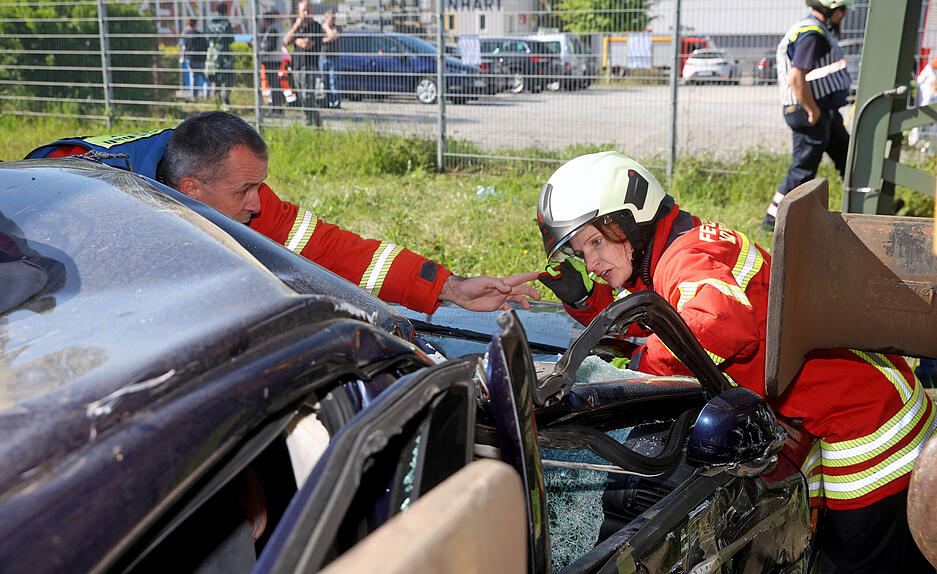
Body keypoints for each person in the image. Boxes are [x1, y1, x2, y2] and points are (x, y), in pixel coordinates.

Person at [535, 151, 935, 573]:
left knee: (858, 561)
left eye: (596, 242)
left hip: (870, 425)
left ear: (632, 221)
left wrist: (641, 367)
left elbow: (720, 322)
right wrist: (586, 299)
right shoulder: (678, 243)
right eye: (581, 252)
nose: (591, 264)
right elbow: (661, 313)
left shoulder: (684, 257)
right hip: (849, 407)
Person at [30, 111, 539, 314]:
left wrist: (450, 287)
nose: (258, 204)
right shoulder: (90, 204)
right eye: (246, 190)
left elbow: (333, 252)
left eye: (259, 186)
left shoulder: (232, 187)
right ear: (191, 190)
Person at [762, 0, 854, 233]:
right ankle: (773, 221)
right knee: (803, 169)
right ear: (830, 9)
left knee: (849, 158)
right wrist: (812, 110)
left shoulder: (814, 30)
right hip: (809, 111)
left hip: (823, 111)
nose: (844, 15)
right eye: (842, 10)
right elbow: (797, 78)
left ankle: (865, 207)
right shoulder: (812, 35)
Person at [284, 1, 323, 125]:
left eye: (308, 10)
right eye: (303, 11)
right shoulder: (297, 26)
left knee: (308, 96)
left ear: (312, 11)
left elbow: (307, 44)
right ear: (299, 13)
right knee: (302, 96)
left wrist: (295, 40)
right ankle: (316, 124)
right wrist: (296, 25)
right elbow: (286, 40)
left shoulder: (316, 26)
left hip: (309, 65)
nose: (306, 13)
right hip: (296, 65)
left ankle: (310, 123)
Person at [206, 2, 235, 107]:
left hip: (212, 53)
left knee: (214, 77)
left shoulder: (210, 22)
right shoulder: (226, 23)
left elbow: (208, 37)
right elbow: (231, 40)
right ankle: (225, 100)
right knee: (229, 76)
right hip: (225, 53)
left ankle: (215, 101)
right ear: (226, 11)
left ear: (217, 10)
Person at [258, 12, 285, 111]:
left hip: (272, 60)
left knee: (274, 84)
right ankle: (276, 106)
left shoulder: (272, 30)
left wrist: (262, 51)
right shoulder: (270, 29)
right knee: (273, 84)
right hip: (272, 59)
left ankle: (276, 107)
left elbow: (270, 46)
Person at [181, 18, 208, 100]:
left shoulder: (186, 34)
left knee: (193, 77)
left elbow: (184, 46)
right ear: (196, 24)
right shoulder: (200, 35)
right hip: (200, 59)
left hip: (190, 59)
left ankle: (194, 97)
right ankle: (207, 96)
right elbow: (206, 46)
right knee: (206, 78)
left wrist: (183, 57)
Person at [319, 10, 341, 109]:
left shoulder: (337, 27)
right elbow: (320, 40)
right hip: (323, 58)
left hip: (334, 58)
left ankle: (335, 101)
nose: (334, 19)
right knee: (324, 81)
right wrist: (329, 37)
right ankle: (326, 102)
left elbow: (333, 36)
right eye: (332, 17)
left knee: (334, 80)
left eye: (334, 17)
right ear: (327, 18)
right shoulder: (320, 28)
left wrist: (327, 28)